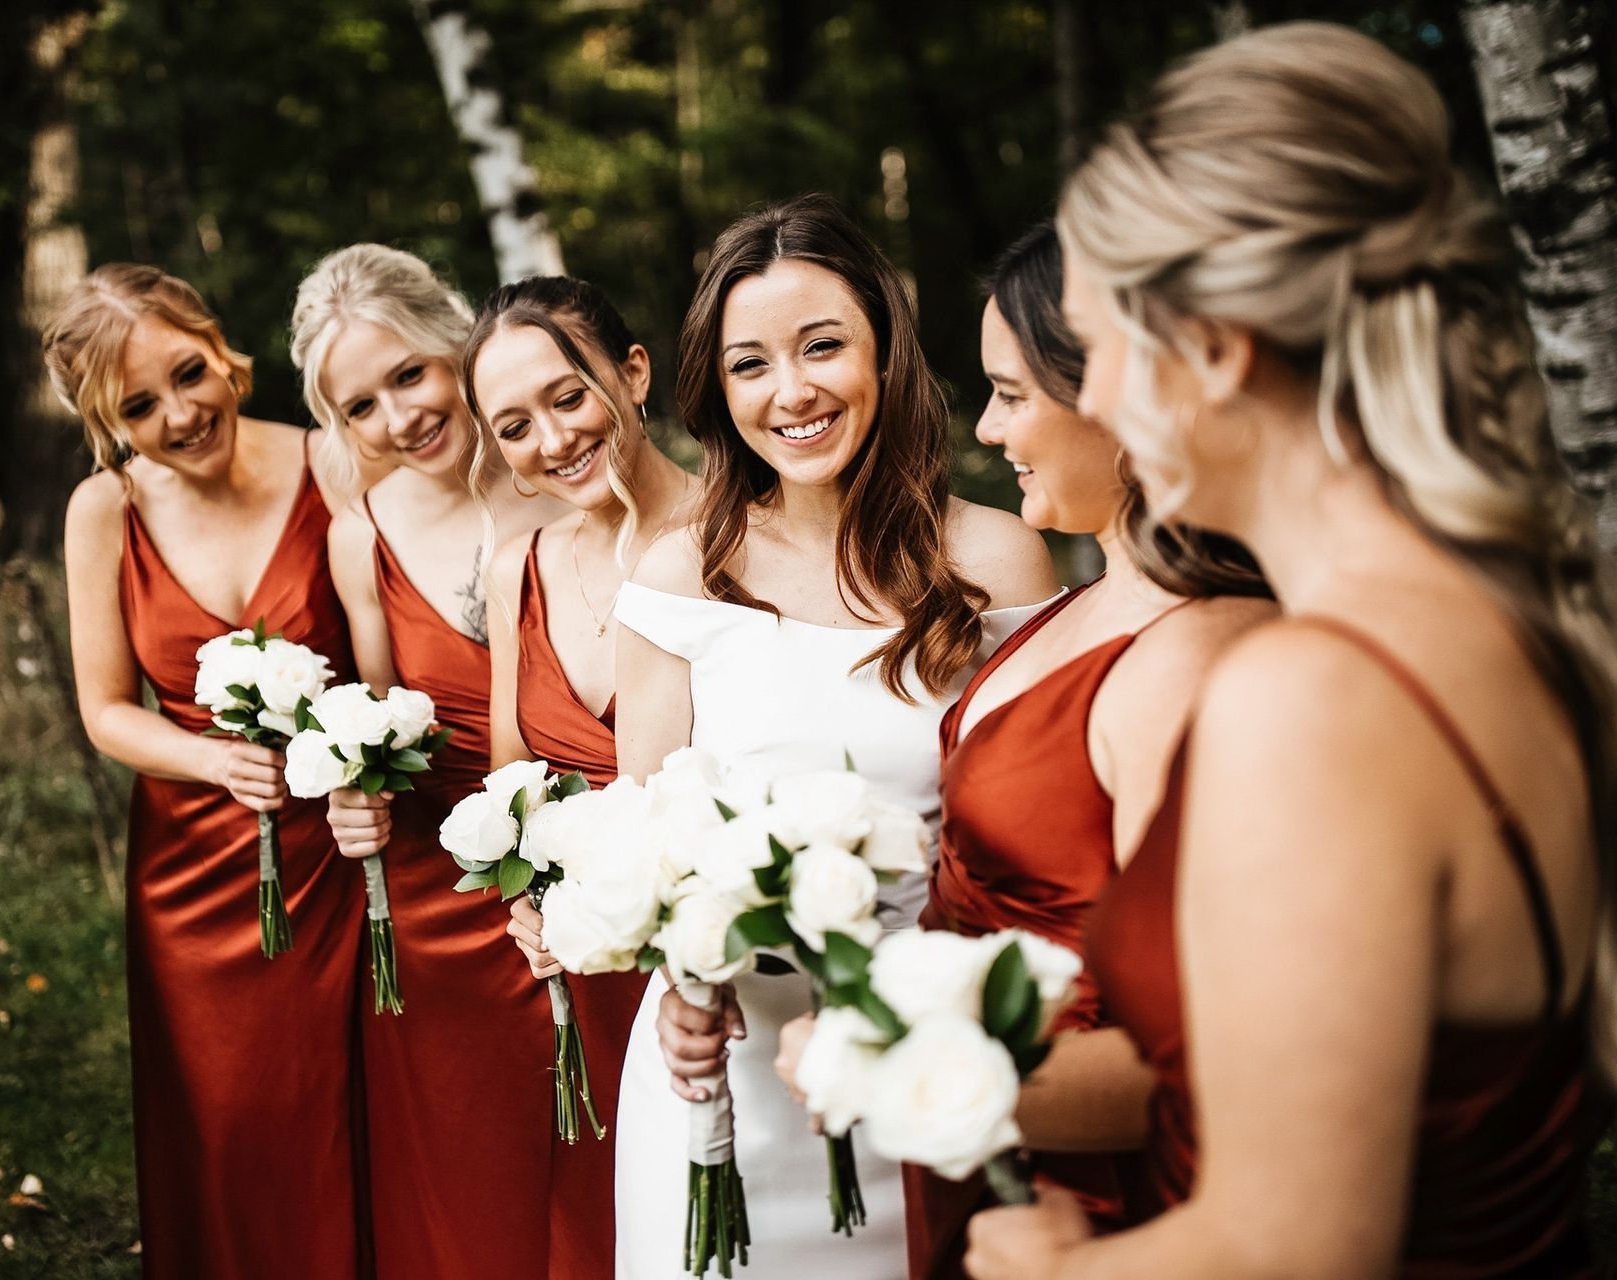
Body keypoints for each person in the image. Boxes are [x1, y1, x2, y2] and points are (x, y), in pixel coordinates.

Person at [963, 22, 1616, 1279]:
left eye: (1103, 352)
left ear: (1211, 349)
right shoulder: (1510, 618)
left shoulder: (1313, 696)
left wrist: (1056, 1264)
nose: (1095, 404)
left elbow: (1293, 1245)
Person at [776, 222, 1273, 1277]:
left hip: (1104, 1207)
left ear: (1118, 396)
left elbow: (1202, 1063)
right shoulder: (1078, 606)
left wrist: (881, 1055)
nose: (991, 427)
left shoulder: (1199, 655)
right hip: (996, 1166)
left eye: (1010, 392)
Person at [613, 193, 1062, 1278]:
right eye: (750, 363)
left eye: (824, 346)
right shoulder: (678, 577)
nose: (793, 391)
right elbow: (646, 838)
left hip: (930, 1058)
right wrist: (679, 985)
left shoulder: (998, 561)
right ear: (717, 390)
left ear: (886, 353)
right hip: (724, 1072)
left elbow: (1029, 843)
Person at [51, 264, 368, 1277]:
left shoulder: (334, 462)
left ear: (222, 346)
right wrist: (210, 758)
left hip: (339, 856)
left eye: (189, 373)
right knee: (224, 1126)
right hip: (192, 874)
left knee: (341, 1114)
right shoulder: (103, 512)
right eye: (139, 405)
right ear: (105, 422)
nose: (181, 414)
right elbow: (104, 709)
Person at [288, 243, 562, 1279]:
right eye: (362, 406)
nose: (400, 417)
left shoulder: (559, 479)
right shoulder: (362, 536)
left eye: (410, 373)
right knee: (466, 1156)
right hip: (437, 885)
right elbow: (378, 713)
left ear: (457, 343)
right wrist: (354, 786)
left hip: (580, 851)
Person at [464, 274, 702, 1277]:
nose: (552, 440)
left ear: (633, 372)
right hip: (574, 966)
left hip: (708, 954)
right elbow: (513, 763)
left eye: (567, 397)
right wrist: (529, 894)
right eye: (513, 425)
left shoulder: (743, 534)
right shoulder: (517, 565)